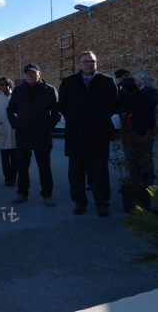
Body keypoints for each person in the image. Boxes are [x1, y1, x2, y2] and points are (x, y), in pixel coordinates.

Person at [59, 51, 118, 217]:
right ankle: (79, 202)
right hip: (76, 135)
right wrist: (75, 119)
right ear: (80, 64)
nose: (89, 64)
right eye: (85, 61)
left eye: (92, 61)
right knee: (76, 174)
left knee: (100, 173)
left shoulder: (107, 81)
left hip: (98, 134)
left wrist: (100, 118)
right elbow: (62, 106)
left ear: (96, 63)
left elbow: (114, 104)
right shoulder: (68, 82)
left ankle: (102, 203)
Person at [7, 64, 61, 206]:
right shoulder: (18, 90)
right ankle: (22, 193)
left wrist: (47, 127)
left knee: (44, 167)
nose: (30, 76)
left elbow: (56, 113)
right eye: (28, 73)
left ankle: (47, 195)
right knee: (22, 166)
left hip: (41, 136)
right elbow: (10, 110)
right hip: (23, 134)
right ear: (24, 75)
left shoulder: (49, 90)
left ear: (39, 74)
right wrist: (16, 124)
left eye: (33, 73)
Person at [119, 76, 157, 189]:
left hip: (145, 131)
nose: (129, 94)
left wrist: (141, 88)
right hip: (129, 131)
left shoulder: (148, 91)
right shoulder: (124, 92)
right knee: (131, 158)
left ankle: (148, 185)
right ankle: (135, 183)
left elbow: (153, 102)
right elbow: (118, 104)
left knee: (146, 159)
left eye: (131, 91)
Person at [0, 76, 17, 187]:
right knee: (5, 158)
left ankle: (13, 178)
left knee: (15, 158)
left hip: (14, 129)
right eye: (2, 84)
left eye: (6, 84)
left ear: (10, 85)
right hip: (2, 128)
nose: (4, 86)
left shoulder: (15, 96)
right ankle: (7, 179)